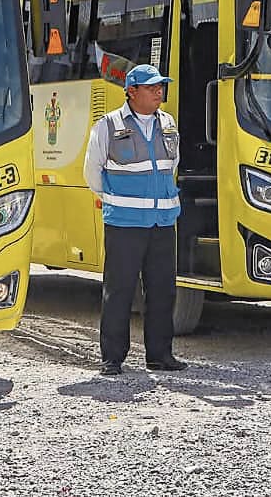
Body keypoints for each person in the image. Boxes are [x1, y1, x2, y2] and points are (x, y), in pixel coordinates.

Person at [83, 64, 188, 376]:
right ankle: (112, 358)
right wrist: (115, 199)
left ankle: (160, 355)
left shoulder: (168, 123)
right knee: (119, 291)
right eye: (151, 87)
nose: (159, 91)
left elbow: (172, 165)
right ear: (131, 92)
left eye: (161, 86)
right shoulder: (108, 125)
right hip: (125, 223)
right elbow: (93, 171)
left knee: (162, 290)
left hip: (163, 222)